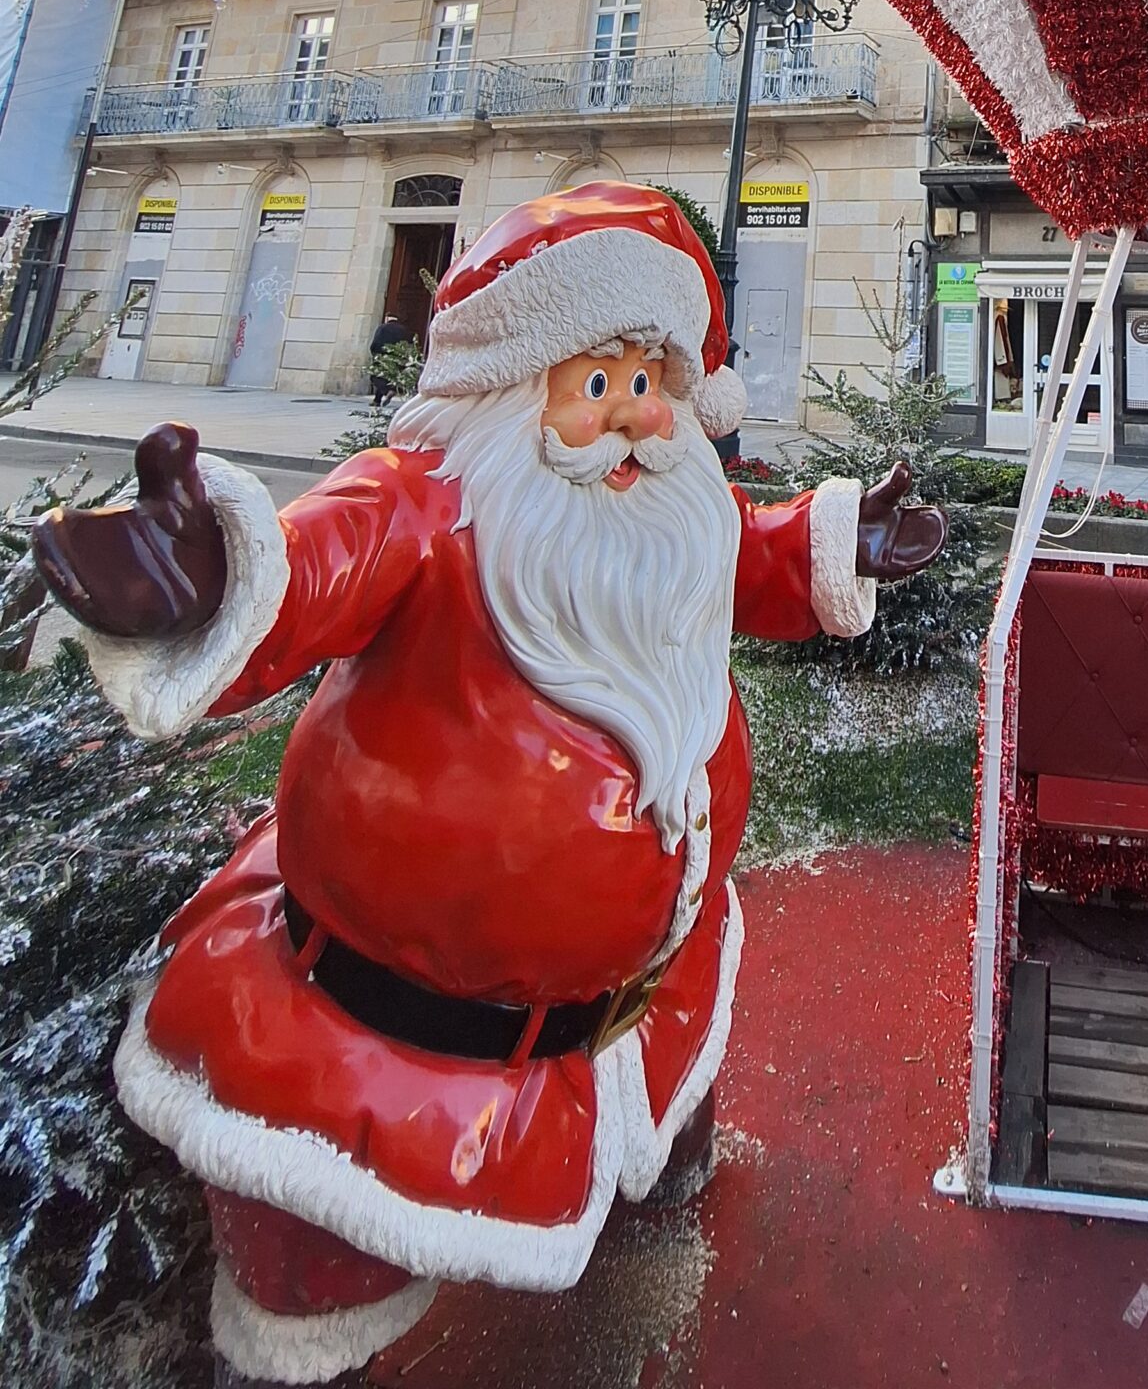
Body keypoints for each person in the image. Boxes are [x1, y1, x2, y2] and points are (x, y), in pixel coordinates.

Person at [35, 183, 944, 1383]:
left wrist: (833, 539)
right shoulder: (421, 502)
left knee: (662, 1115)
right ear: (514, 390)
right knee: (321, 1281)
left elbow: (739, 549)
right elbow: (305, 568)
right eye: (599, 382)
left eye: (653, 382)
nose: (638, 418)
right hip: (393, 1048)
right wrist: (210, 572)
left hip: (643, 994)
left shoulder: (665, 505)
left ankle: (650, 1186)